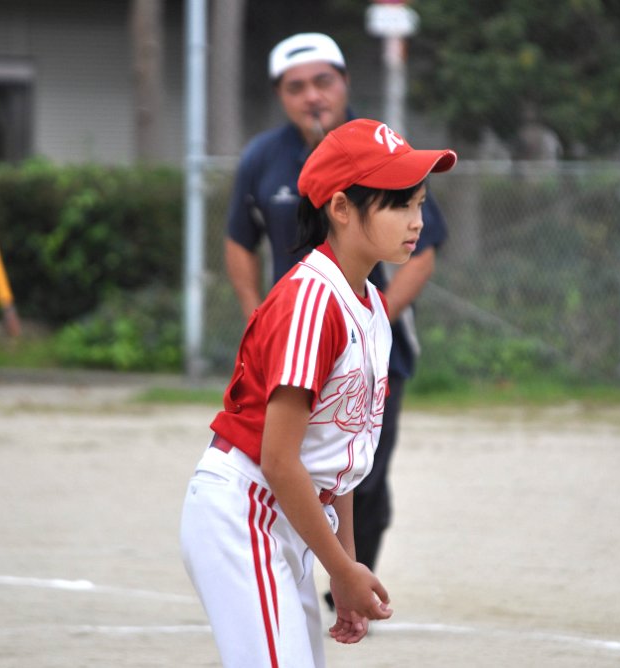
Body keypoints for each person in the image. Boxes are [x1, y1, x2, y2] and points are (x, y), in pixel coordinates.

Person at [181, 118, 457, 667]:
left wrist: (346, 568)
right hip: (246, 512)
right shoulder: (312, 301)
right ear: (341, 208)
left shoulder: (371, 307)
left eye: (420, 204)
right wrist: (339, 568)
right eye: (399, 204)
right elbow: (279, 460)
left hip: (290, 517)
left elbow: (338, 456)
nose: (417, 221)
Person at [224, 33, 449, 604]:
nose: (312, 96)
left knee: (358, 469)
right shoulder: (263, 159)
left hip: (371, 340)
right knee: (295, 457)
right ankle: (326, 570)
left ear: (345, 82)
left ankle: (347, 579)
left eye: (323, 81)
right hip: (303, 343)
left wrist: (368, 325)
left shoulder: (383, 152)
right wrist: (258, 317)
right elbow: (238, 242)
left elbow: (424, 254)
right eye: (296, 87)